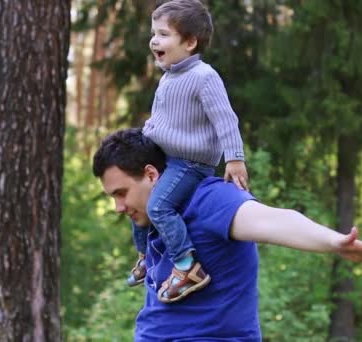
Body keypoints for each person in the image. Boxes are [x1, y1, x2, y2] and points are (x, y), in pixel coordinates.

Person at [92, 128, 362, 341]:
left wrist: (332, 242)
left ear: (151, 175)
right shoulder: (155, 221)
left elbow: (273, 220)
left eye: (121, 193)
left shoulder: (208, 200)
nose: (119, 207)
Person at [127, 0, 249, 303]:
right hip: (167, 157)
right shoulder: (169, 76)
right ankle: (147, 256)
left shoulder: (204, 77)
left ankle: (187, 266)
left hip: (190, 163)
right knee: (137, 200)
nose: (155, 40)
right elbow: (162, 120)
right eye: (153, 33)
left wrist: (234, 159)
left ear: (190, 42)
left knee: (158, 207)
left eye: (164, 34)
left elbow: (225, 119)